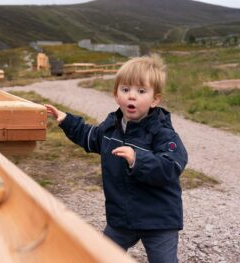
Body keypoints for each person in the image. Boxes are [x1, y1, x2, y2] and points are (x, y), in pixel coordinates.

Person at [45, 55, 185, 263]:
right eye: (126, 89)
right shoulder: (111, 128)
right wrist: (67, 121)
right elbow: (90, 137)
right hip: (122, 216)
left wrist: (138, 159)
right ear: (115, 94)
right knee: (102, 255)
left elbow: (171, 165)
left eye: (141, 91)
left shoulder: (163, 133)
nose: (132, 96)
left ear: (155, 99)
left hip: (158, 219)